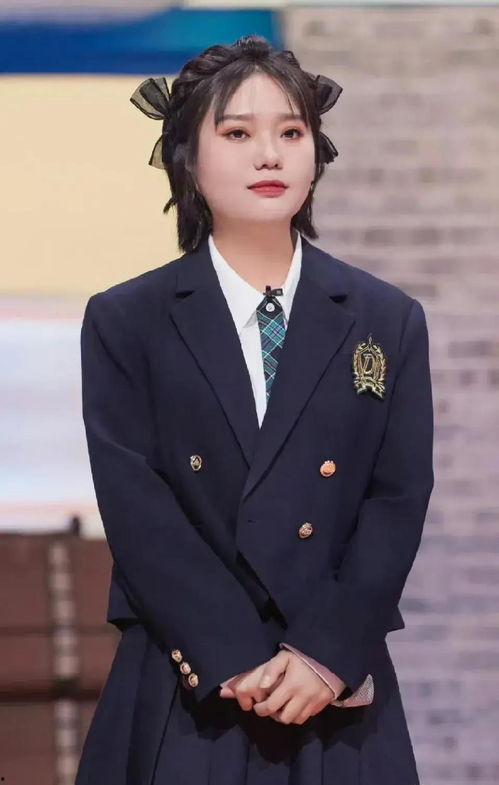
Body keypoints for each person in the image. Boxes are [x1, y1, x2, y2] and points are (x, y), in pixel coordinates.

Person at [75, 34, 434, 785]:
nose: (269, 156)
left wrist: (323, 654)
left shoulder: (385, 317)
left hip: (336, 688)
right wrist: (233, 656)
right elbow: (138, 507)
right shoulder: (127, 320)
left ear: (316, 155)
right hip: (191, 687)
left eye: (291, 133)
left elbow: (396, 500)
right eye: (237, 133)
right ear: (187, 158)